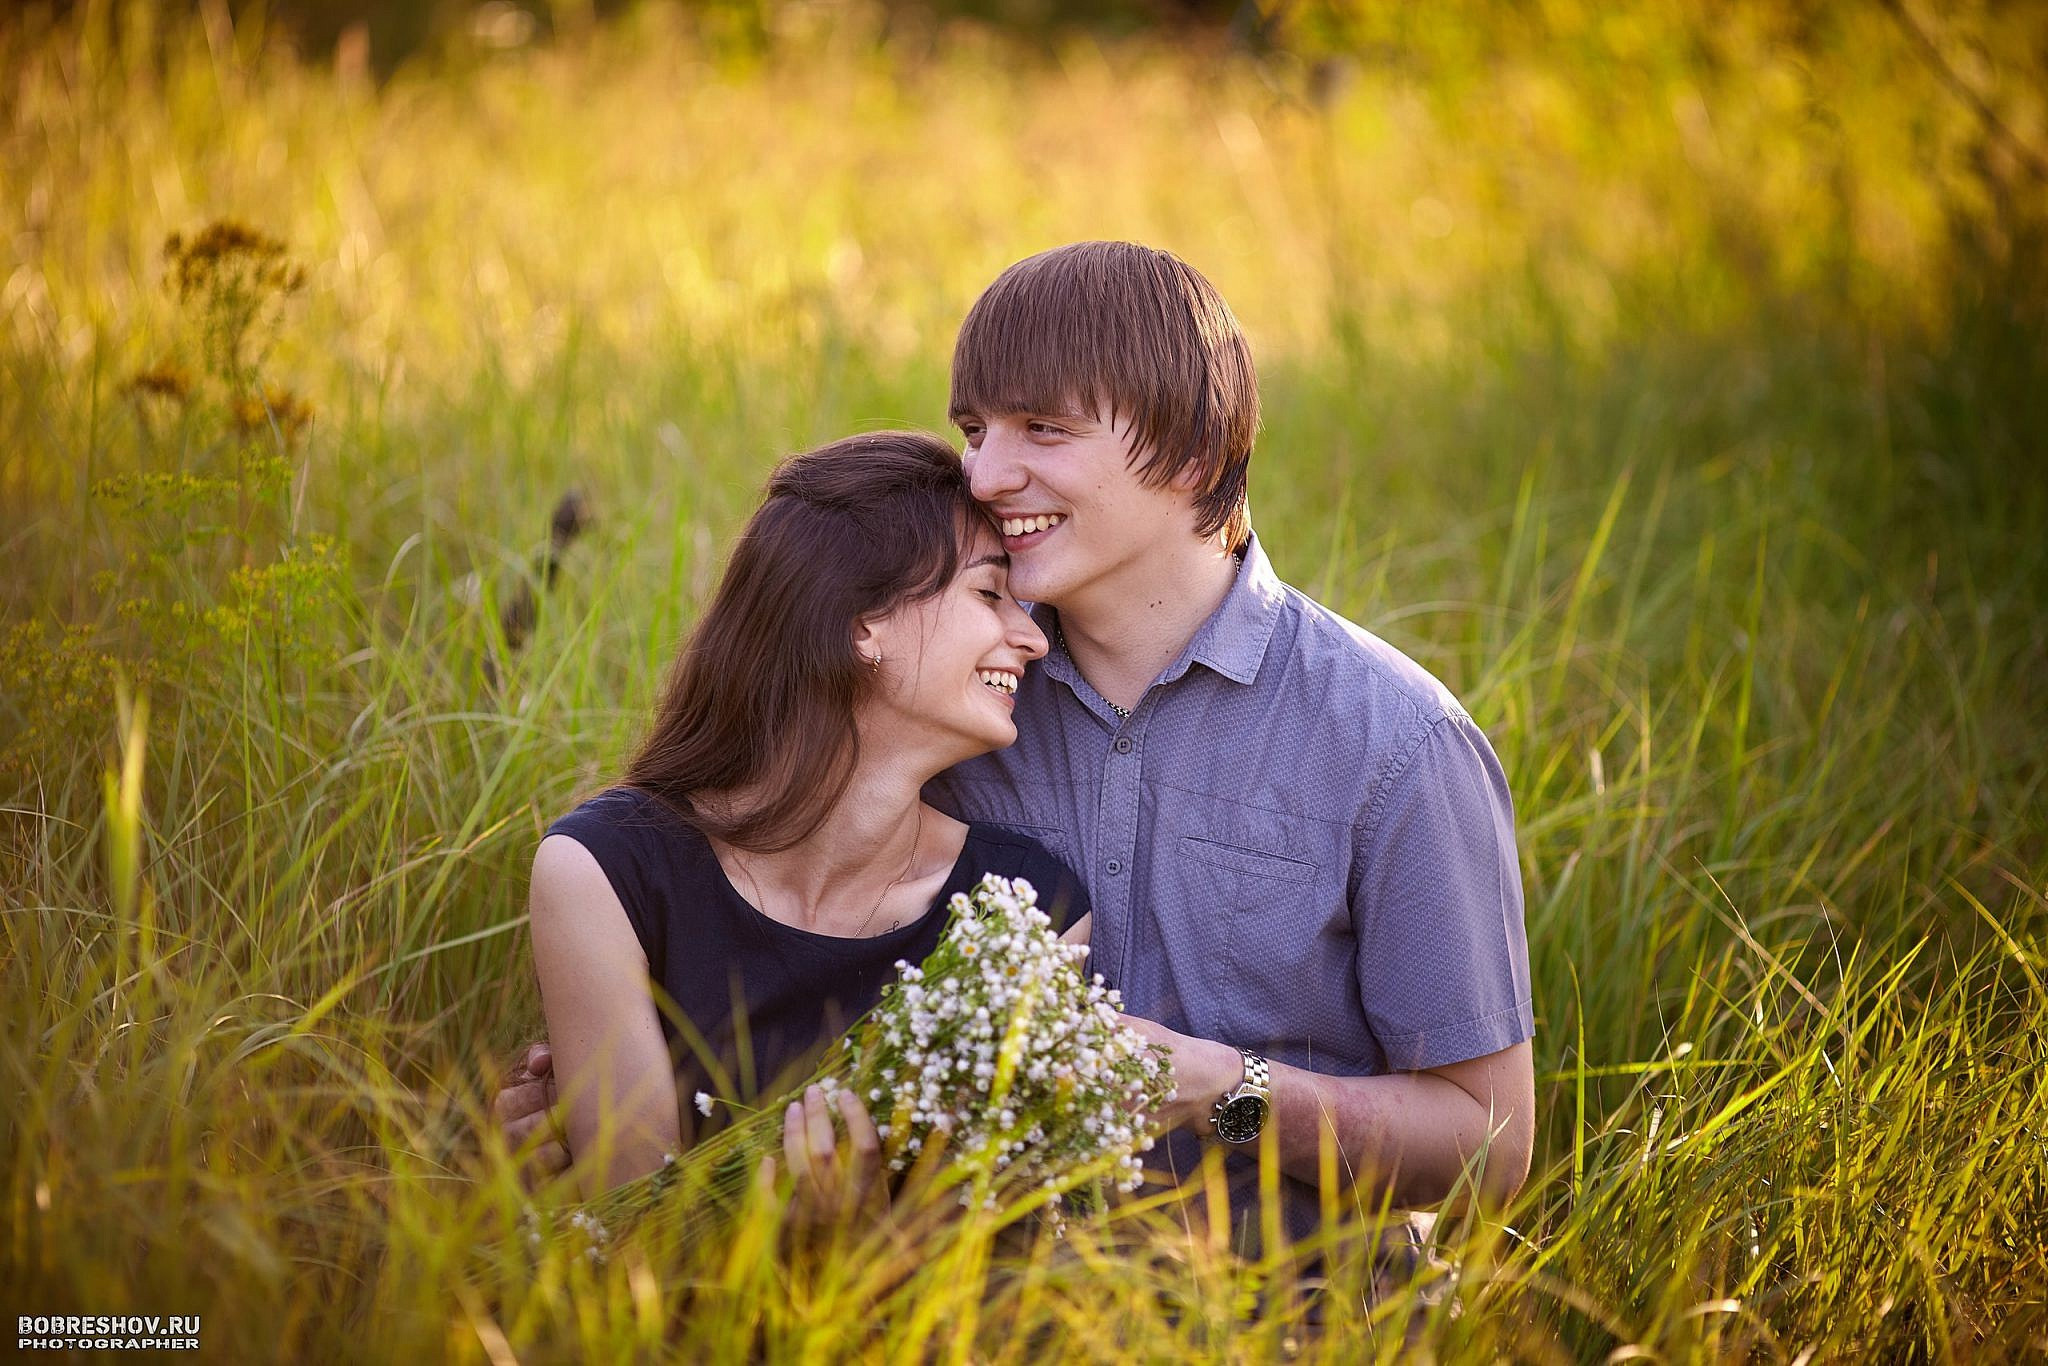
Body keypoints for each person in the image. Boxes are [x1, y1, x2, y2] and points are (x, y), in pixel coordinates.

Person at [501, 242, 1534, 1253]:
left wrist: (1228, 1094)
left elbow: (1486, 1150)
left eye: (1043, 428)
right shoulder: (954, 699)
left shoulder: (1395, 744)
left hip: (1300, 1319)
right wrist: (623, 1108)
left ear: (1191, 456)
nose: (986, 474)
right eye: (973, 428)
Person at [523, 430, 1086, 1207]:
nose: (1031, 639)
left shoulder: (1028, 911)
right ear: (862, 625)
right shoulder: (607, 874)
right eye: (989, 595)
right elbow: (629, 1246)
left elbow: (997, 1267)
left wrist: (866, 1241)